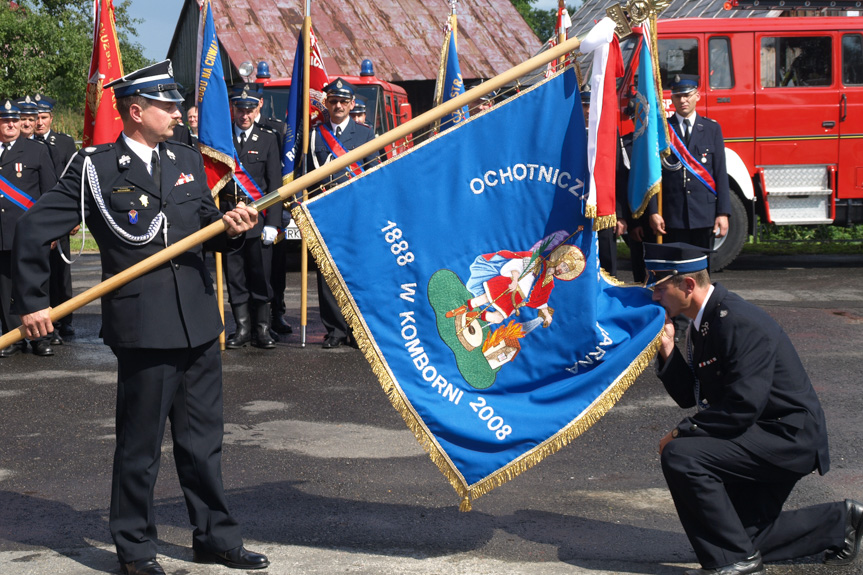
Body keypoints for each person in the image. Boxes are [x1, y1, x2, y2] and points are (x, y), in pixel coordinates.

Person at [11, 61, 269, 575]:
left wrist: (232, 228)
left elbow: (200, 230)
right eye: (167, 105)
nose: (178, 113)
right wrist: (33, 302)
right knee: (140, 447)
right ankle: (135, 549)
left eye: (176, 104)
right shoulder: (96, 168)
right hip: (144, 328)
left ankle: (215, 537)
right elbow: (33, 228)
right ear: (136, 111)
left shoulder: (187, 159)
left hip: (198, 321)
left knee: (203, 443)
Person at [647, 241, 863, 575]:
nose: (654, 297)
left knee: (681, 455)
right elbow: (691, 395)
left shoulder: (737, 321)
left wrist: (681, 432)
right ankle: (839, 523)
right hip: (759, 432)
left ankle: (735, 562)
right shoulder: (706, 322)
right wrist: (667, 348)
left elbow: (742, 406)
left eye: (659, 289)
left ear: (688, 285)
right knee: (741, 534)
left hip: (786, 437)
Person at [308, 77, 380, 348]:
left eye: (343, 101)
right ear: (326, 103)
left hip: (355, 214)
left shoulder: (365, 135)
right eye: (333, 101)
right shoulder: (314, 134)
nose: (338, 105)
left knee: (357, 272)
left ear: (351, 104)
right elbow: (306, 176)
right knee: (327, 274)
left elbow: (374, 173)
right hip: (325, 213)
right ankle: (335, 330)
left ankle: (358, 331)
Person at [220, 84, 283, 349]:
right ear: (232, 109)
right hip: (230, 219)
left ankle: (263, 329)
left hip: (257, 220)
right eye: (239, 109)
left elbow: (275, 185)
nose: (244, 115)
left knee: (260, 275)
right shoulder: (221, 140)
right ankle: (242, 329)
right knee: (235, 276)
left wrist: (273, 223)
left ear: (257, 108)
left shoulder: (268, 138)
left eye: (249, 109)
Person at [0, 99, 57, 358]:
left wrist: (52, 231)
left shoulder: (36, 150)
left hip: (28, 234)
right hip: (1, 234)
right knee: (5, 287)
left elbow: (50, 194)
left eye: (13, 120)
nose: (10, 124)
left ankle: (40, 338)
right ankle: (12, 337)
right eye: (4, 120)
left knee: (33, 286)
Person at [647, 76, 730, 252]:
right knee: (676, 271)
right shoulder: (663, 130)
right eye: (677, 96)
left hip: (703, 213)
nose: (683, 100)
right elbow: (652, 175)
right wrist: (653, 211)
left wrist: (723, 213)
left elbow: (720, 173)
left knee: (702, 271)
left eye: (687, 95)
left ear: (697, 96)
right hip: (672, 214)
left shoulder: (711, 129)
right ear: (672, 99)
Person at [33, 93, 79, 342]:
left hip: (61, 215)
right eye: (36, 118)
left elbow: (74, 180)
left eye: (43, 117)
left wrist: (75, 216)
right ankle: (46, 318)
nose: (39, 123)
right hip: (37, 213)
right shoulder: (26, 144)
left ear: (51, 118)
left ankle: (66, 319)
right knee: (41, 270)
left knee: (62, 271)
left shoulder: (64, 143)